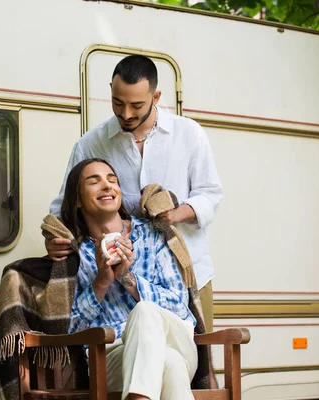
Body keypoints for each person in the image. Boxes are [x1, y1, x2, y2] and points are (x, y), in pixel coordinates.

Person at [48, 54, 222, 332]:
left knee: (198, 363)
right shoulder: (91, 143)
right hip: (117, 285)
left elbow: (210, 195)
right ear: (111, 90)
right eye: (118, 103)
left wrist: (173, 214)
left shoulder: (188, 133)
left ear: (156, 96)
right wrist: (56, 238)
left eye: (136, 105)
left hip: (190, 274)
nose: (126, 113)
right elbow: (63, 207)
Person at [62, 158, 197, 400]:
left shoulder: (153, 234)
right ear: (78, 200)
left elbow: (179, 303)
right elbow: (70, 329)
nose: (106, 185)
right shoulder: (76, 254)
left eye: (112, 180)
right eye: (94, 182)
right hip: (112, 355)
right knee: (171, 365)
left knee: (145, 311)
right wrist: (101, 282)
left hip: (175, 339)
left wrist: (128, 278)